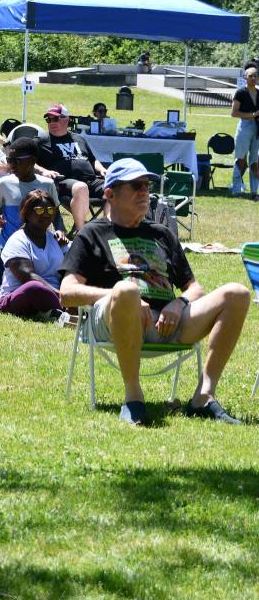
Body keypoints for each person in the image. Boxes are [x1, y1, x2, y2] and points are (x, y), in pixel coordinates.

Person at [59, 158, 251, 426]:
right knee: (126, 289)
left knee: (237, 293)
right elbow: (67, 292)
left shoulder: (161, 233)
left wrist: (180, 303)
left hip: (167, 323)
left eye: (147, 185)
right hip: (116, 321)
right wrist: (119, 297)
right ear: (110, 194)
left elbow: (194, 287)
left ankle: (203, 397)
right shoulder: (92, 233)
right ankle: (133, 396)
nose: (144, 192)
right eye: (135, 185)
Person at [0, 137, 64, 294]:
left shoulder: (46, 184)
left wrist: (60, 230)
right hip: (9, 246)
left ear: (33, 161)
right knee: (3, 293)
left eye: (16, 160)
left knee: (35, 282)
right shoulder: (5, 183)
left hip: (38, 247)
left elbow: (57, 214)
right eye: (8, 159)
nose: (11, 164)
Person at [0, 190, 68, 319]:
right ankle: (65, 310)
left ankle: (54, 311)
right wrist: (62, 296)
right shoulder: (17, 240)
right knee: (34, 287)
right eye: (40, 210)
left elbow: (67, 271)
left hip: (57, 295)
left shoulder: (56, 240)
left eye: (50, 210)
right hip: (19, 296)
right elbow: (28, 277)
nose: (46, 214)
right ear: (27, 213)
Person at [35, 103, 102, 231]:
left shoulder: (79, 138)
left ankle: (112, 229)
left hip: (91, 180)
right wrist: (44, 171)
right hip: (64, 183)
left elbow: (93, 160)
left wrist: (102, 169)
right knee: (81, 188)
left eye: (55, 119)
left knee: (116, 187)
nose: (51, 122)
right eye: (48, 119)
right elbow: (29, 161)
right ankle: (82, 233)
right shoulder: (42, 141)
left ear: (66, 119)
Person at [229, 64, 259, 199]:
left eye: (255, 76)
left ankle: (254, 192)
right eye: (250, 76)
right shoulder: (240, 92)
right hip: (244, 127)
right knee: (241, 160)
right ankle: (236, 189)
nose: (253, 78)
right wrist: (252, 115)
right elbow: (233, 113)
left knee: (255, 161)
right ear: (245, 78)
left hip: (257, 129)